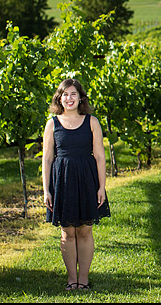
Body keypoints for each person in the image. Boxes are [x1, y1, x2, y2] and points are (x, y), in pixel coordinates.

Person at [42, 78, 111, 291]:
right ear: (59, 99)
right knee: (67, 231)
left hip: (87, 180)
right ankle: (72, 280)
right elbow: (47, 159)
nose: (69, 98)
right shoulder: (52, 124)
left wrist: (101, 187)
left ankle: (84, 280)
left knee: (85, 230)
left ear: (80, 98)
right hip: (62, 181)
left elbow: (100, 157)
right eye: (65, 94)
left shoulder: (92, 122)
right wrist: (46, 190)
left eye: (73, 94)